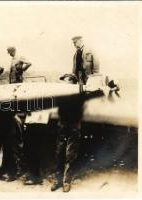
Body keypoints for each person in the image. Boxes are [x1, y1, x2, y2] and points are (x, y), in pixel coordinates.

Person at [51, 36, 99, 193]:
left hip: (73, 125)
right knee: (59, 153)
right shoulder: (63, 94)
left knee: (69, 155)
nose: (74, 43)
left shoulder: (90, 51)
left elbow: (95, 71)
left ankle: (66, 181)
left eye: (75, 41)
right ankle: (58, 180)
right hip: (63, 125)